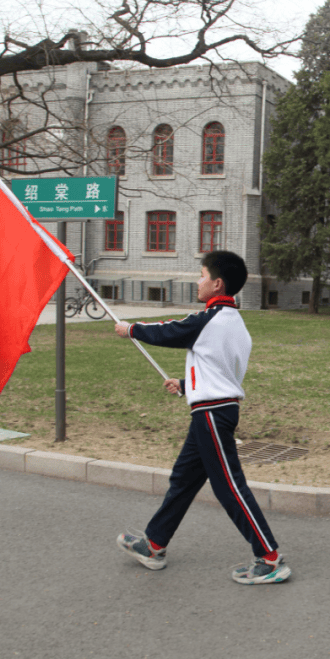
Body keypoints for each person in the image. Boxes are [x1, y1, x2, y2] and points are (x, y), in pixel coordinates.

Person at [113, 251, 290, 585]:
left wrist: (131, 329)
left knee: (229, 487)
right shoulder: (233, 323)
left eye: (202, 275)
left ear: (217, 283)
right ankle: (153, 545)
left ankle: (269, 558)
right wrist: (186, 385)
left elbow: (171, 331)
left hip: (212, 415)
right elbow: (219, 368)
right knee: (183, 479)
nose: (198, 281)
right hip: (211, 411)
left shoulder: (209, 318)